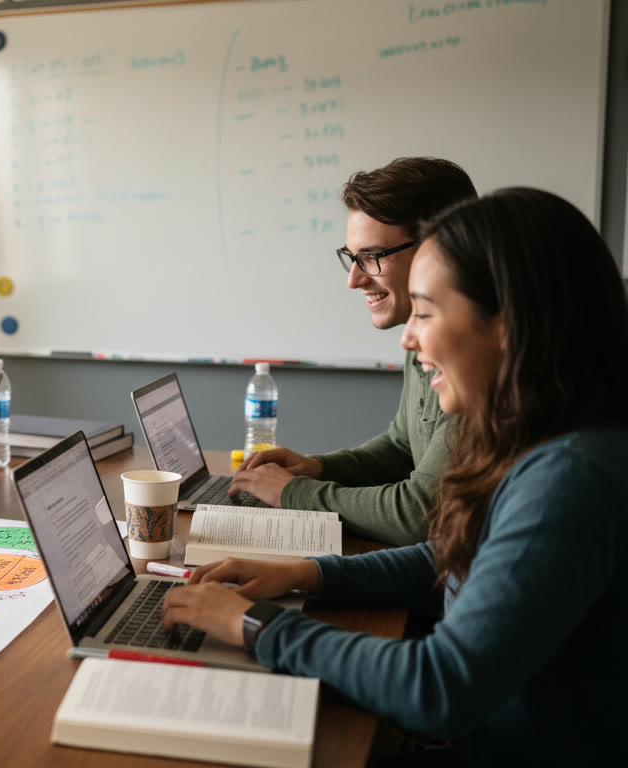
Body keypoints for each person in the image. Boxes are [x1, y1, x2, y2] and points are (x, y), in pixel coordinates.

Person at [164, 188, 628, 765]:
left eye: (427, 313)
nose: (410, 338)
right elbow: (454, 557)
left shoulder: (571, 476)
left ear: (510, 324)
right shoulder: (543, 437)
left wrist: (257, 627)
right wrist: (309, 573)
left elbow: (439, 687)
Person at [231, 157, 477, 545]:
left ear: (438, 249)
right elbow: (403, 447)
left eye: (372, 257)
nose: (354, 279)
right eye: (352, 256)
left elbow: (420, 513)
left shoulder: (478, 360)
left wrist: (292, 493)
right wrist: (317, 468)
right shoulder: (420, 332)